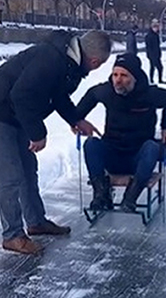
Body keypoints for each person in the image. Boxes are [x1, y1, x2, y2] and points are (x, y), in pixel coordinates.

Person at [0, 30, 107, 255]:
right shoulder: (50, 58)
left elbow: (58, 96)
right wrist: (37, 133)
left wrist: (76, 119)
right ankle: (12, 235)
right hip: (3, 114)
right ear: (95, 61)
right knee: (10, 176)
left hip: (16, 115)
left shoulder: (67, 62)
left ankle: (36, 222)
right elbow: (21, 95)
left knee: (28, 171)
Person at [76, 53, 166, 212]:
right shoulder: (107, 91)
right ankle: (100, 195)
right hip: (113, 154)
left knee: (152, 146)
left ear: (135, 77)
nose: (118, 80)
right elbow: (91, 96)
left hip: (139, 159)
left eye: (124, 75)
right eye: (115, 74)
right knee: (91, 144)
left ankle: (130, 199)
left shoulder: (148, 94)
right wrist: (77, 121)